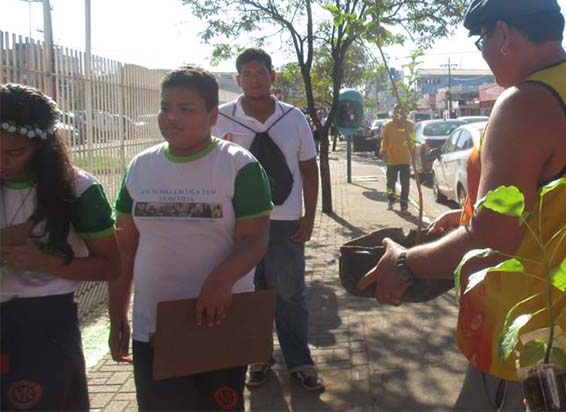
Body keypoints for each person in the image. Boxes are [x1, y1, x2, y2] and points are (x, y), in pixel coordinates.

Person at [359, 0, 566, 410]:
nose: (483, 55)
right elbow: (543, 209)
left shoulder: (524, 101)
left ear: (503, 33)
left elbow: (494, 234)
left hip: (531, 345)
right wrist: (465, 218)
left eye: (481, 40)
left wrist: (405, 264)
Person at [108, 67, 273, 411]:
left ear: (213, 116)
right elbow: (125, 247)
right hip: (154, 325)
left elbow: (255, 240)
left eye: (186, 109)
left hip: (217, 320)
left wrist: (220, 280)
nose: (172, 118)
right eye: (165, 107)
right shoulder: (140, 167)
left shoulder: (239, 167)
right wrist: (118, 313)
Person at [0, 83, 119, 411]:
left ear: (42, 145)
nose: (3, 162)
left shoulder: (77, 188)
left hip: (42, 322)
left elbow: (111, 265)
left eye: (14, 153)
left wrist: (44, 263)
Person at [213, 48, 324, 392]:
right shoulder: (221, 118)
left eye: (261, 73)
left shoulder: (294, 118)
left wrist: (309, 215)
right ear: (237, 80)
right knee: (249, 292)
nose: (255, 80)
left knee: (289, 293)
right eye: (247, 74)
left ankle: (299, 360)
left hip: (285, 221)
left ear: (272, 76)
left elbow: (309, 167)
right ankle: (257, 357)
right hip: (238, 224)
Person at [380, 105, 414, 213]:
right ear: (394, 113)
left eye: (401, 111)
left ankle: (404, 206)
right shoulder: (388, 126)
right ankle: (391, 200)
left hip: (405, 159)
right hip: (392, 160)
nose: (399, 113)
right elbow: (384, 140)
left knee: (405, 184)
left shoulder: (409, 125)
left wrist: (414, 157)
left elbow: (413, 141)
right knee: (390, 183)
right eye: (397, 111)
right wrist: (384, 153)